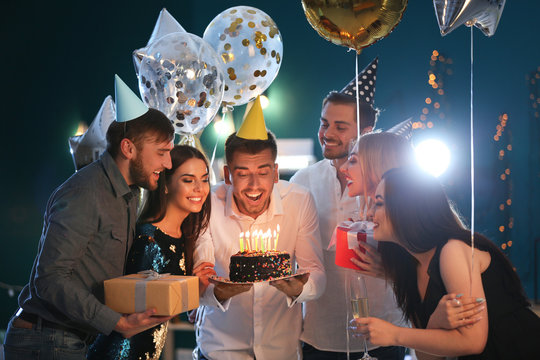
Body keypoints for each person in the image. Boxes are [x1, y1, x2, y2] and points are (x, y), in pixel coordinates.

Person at [3, 75, 176, 359]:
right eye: (161, 153)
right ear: (128, 148)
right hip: (45, 340)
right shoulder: (85, 191)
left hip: (68, 339)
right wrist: (117, 323)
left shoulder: (130, 195)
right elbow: (48, 279)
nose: (167, 163)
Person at [351, 167, 540, 359]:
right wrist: (435, 322)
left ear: (407, 208)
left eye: (379, 204)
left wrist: (394, 335)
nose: (369, 213)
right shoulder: (410, 268)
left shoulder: (452, 250)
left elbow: (473, 341)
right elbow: (428, 357)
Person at [290, 59, 409, 360]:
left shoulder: (390, 187)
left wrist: (388, 269)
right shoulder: (303, 181)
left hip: (381, 333)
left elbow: (418, 257)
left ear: (366, 132)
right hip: (319, 335)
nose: (327, 133)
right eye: (324, 123)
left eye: (340, 127)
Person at [193, 96, 326, 360]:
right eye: (243, 174)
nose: (254, 185)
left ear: (275, 173)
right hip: (220, 351)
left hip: (281, 351)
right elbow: (200, 279)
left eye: (263, 172)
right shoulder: (208, 204)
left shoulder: (299, 202)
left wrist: (298, 288)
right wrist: (216, 291)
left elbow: (318, 275)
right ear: (228, 174)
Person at [87, 145, 215, 359]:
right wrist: (194, 291)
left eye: (204, 179)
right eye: (188, 180)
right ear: (165, 185)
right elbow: (143, 311)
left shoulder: (184, 236)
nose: (200, 189)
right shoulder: (149, 239)